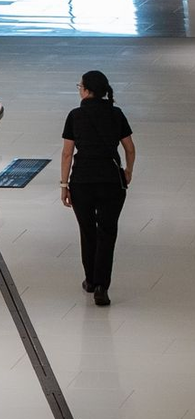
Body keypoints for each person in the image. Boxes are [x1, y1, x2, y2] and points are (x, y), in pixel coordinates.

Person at [60, 70, 135, 307]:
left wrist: (64, 185)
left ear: (85, 90)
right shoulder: (116, 114)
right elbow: (130, 148)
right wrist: (128, 171)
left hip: (82, 182)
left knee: (87, 230)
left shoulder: (75, 115)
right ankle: (102, 286)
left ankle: (90, 280)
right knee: (107, 232)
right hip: (112, 181)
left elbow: (67, 154)